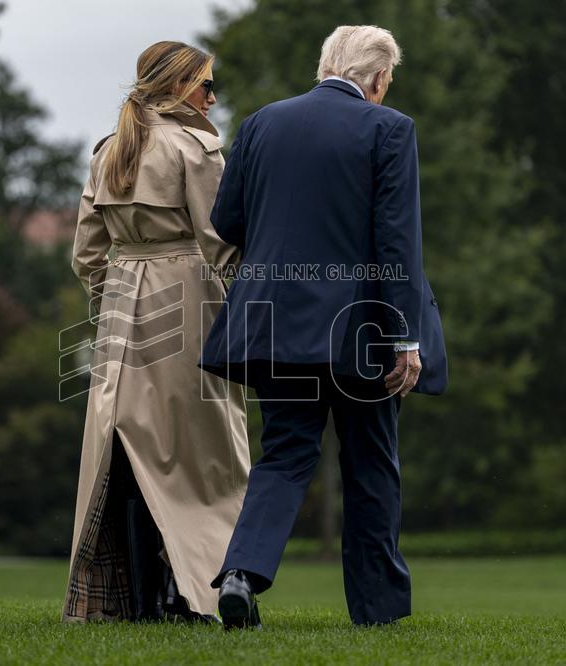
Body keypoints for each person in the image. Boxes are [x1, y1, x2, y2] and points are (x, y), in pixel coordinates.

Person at [200, 25, 448, 628]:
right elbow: (397, 242)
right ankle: (378, 611)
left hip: (275, 325)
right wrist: (406, 339)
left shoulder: (262, 123)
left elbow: (227, 220)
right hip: (361, 331)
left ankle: (240, 576)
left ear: (326, 65)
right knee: (371, 464)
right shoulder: (390, 129)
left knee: (283, 456)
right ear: (380, 78)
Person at [62, 41, 250, 624]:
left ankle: (140, 598)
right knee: (201, 454)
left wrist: (113, 298)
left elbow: (86, 254)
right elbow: (223, 245)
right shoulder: (194, 147)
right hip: (188, 294)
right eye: (204, 85)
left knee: (131, 450)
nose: (212, 97)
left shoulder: (109, 149)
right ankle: (196, 591)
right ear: (177, 86)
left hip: (123, 300)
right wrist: (251, 310)